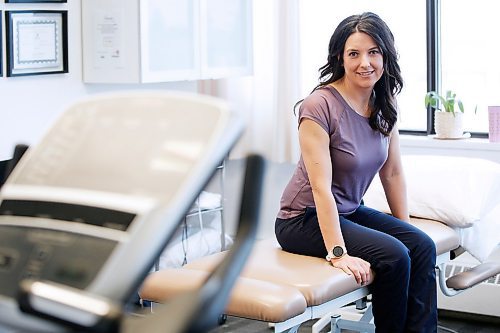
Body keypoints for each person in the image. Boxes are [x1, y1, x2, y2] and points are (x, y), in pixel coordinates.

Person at [275, 12, 437, 333]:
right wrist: (338, 254)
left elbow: (392, 173)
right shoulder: (319, 105)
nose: (365, 62)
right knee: (394, 257)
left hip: (348, 210)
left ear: (385, 56)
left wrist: (402, 229)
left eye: (373, 52)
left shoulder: (383, 103)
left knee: (421, 246)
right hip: (302, 219)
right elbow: (320, 188)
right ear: (340, 57)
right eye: (354, 53)